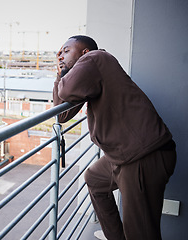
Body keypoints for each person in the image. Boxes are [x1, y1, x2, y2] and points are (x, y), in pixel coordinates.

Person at [53, 35, 176, 240]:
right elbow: (62, 115)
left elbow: (66, 90)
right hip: (125, 155)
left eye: (66, 51)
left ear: (85, 52)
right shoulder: (89, 74)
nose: (60, 56)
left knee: (141, 233)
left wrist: (63, 75)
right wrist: (61, 74)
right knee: (94, 179)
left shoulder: (95, 58)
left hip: (144, 156)